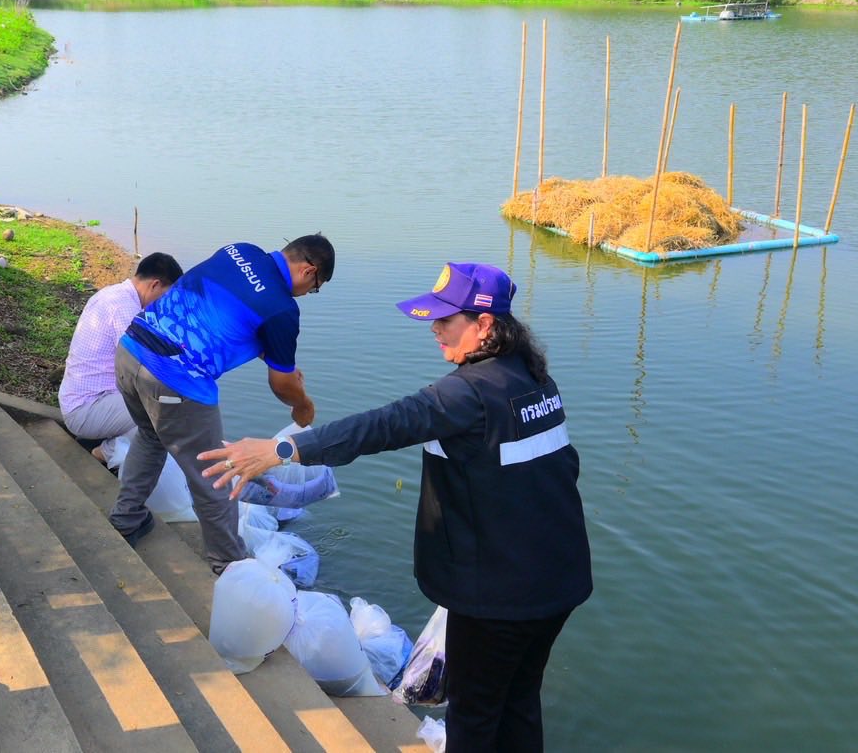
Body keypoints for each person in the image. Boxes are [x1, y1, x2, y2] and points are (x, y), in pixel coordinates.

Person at [201, 262, 592, 752]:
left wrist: (282, 450)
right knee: (518, 700)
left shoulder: (466, 392)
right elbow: (562, 473)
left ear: (485, 325)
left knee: (474, 713)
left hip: (500, 595)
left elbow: (384, 425)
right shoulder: (536, 382)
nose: (434, 329)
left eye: (446, 320)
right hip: (558, 580)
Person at [108, 234, 334, 573]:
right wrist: (302, 404)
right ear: (308, 271)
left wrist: (273, 354)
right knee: (213, 473)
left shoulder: (240, 250)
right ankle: (229, 564)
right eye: (315, 287)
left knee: (150, 436)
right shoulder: (283, 310)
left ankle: (126, 518)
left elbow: (221, 312)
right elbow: (281, 384)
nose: (308, 294)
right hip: (174, 378)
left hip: (130, 350)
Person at [58, 252, 183, 460]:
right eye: (165, 297)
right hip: (87, 409)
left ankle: (114, 446)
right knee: (165, 413)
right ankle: (104, 453)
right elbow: (147, 365)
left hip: (85, 400)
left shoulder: (113, 293)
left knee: (162, 403)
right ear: (155, 285)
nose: (164, 306)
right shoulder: (125, 308)